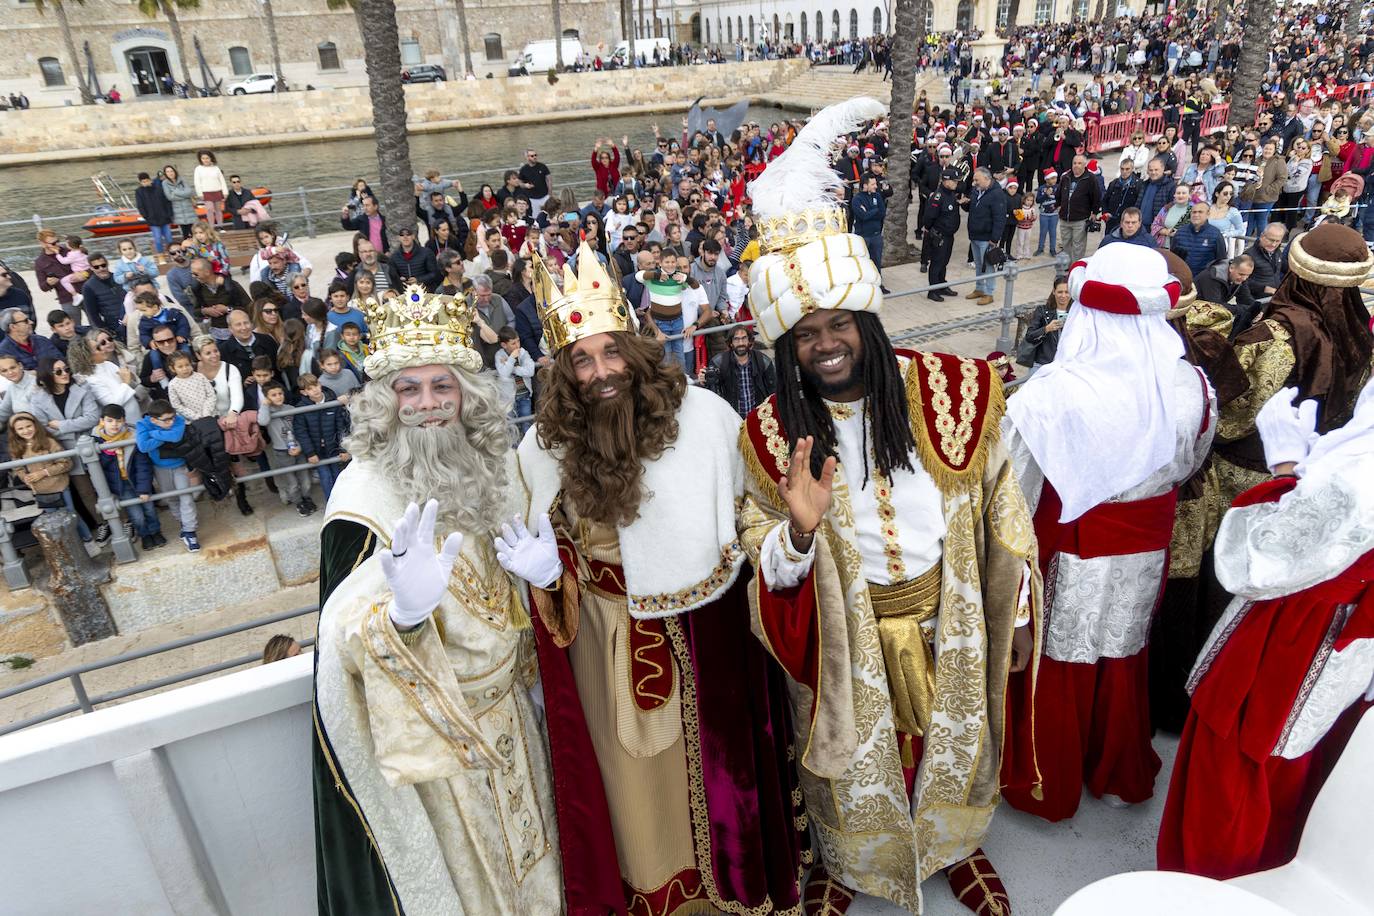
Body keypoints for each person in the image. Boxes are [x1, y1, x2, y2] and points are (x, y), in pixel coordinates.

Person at [736, 97, 1036, 916]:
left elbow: (1004, 503)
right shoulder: (769, 434)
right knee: (854, 761)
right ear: (786, 347)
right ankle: (849, 865)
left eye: (838, 324)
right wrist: (797, 535)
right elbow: (757, 542)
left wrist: (1014, 613)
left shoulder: (954, 389)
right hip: (849, 629)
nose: (825, 345)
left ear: (865, 321)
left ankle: (955, 845)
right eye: (805, 335)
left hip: (950, 613)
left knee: (953, 742)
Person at [499, 244, 806, 916]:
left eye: (610, 353)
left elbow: (750, 524)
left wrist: (793, 540)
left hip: (707, 635)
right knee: (630, 786)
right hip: (599, 637)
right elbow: (535, 542)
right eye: (582, 360)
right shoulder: (543, 447)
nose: (600, 373)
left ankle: (734, 893)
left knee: (720, 776)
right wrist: (551, 574)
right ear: (564, 373)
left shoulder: (706, 419)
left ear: (635, 351)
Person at [310, 282, 560, 915]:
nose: (428, 404)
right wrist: (402, 617)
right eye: (409, 388)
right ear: (384, 400)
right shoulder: (362, 501)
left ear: (466, 392)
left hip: (522, 717)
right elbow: (337, 649)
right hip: (445, 746)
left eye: (442, 385)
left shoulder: (493, 464)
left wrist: (549, 582)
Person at [1000, 245, 1215, 825]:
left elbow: (1012, 496)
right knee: (1123, 647)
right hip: (1147, 543)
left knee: (1063, 653)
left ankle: (1050, 778)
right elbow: (1190, 462)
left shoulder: (1048, 395)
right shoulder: (1193, 385)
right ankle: (1117, 772)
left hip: (1072, 547)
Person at [1157, 381, 1374, 880]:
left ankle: (1210, 887)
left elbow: (1253, 565)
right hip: (1343, 639)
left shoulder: (1359, 469)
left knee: (1240, 763)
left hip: (1294, 635)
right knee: (1296, 764)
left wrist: (1286, 466)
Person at [28, 356, 107, 542]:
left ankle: (125, 522)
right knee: (86, 492)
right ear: (47, 375)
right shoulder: (37, 399)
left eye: (66, 369)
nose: (65, 373)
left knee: (107, 484)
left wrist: (61, 425)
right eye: (58, 371)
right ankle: (103, 524)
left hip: (92, 444)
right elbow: (42, 427)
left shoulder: (82, 388)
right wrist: (73, 425)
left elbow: (92, 418)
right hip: (66, 451)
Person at [8, 411, 92, 542]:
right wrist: (25, 478)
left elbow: (66, 463)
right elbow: (17, 468)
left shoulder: (49, 442)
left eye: (29, 426)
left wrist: (43, 473)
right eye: (20, 429)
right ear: (15, 431)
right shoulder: (16, 448)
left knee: (70, 515)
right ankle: (69, 546)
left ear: (35, 425)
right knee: (53, 521)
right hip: (40, 490)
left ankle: (88, 539)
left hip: (59, 486)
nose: (26, 431)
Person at [94, 404, 165, 551]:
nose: (114, 424)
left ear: (124, 421)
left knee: (149, 509)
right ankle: (145, 535)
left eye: (118, 420)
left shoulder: (133, 436)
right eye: (110, 421)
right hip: (121, 484)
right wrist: (108, 454)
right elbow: (97, 468)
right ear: (102, 421)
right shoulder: (96, 440)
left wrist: (144, 488)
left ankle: (156, 532)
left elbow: (143, 465)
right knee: (136, 514)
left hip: (138, 479)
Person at [257, 380, 314, 515]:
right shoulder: (266, 411)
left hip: (298, 449)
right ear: (267, 397)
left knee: (305, 479)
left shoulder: (290, 409)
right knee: (292, 483)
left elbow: (300, 428)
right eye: (273, 395)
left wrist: (300, 446)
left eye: (280, 393)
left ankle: (307, 498)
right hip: (281, 452)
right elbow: (262, 421)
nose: (278, 397)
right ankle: (299, 503)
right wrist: (264, 405)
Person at [292, 373, 350, 500]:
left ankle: (343, 501)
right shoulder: (301, 409)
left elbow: (341, 427)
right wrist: (310, 453)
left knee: (338, 475)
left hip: (333, 448)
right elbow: (301, 432)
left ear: (320, 384)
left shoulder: (332, 402)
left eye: (316, 385)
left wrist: (343, 449)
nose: (315, 390)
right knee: (325, 477)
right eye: (310, 388)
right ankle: (331, 503)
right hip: (317, 451)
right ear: (304, 392)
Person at [698, 325, 775, 416]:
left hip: (757, 415)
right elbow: (713, 395)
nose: (741, 343)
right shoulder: (719, 362)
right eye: (736, 339)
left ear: (749, 341)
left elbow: (773, 390)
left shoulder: (763, 360)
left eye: (744, 338)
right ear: (731, 343)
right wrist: (704, 382)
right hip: (731, 416)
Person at [962, 166, 1007, 306]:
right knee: (978, 264)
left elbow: (1000, 218)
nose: (974, 182)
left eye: (977, 180)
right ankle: (979, 288)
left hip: (987, 238)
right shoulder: (976, 190)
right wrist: (964, 203)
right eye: (974, 179)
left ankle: (989, 293)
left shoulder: (997, 194)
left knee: (988, 265)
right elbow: (971, 208)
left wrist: (994, 239)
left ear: (987, 178)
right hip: (975, 235)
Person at [1056, 154, 1104, 262]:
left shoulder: (1090, 178)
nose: (1076, 165)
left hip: (1080, 219)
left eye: (1079, 163)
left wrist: (1094, 212)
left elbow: (1096, 197)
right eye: (1074, 163)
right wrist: (1058, 206)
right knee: (1066, 245)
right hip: (1064, 219)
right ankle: (1066, 266)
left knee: (1078, 247)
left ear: (1084, 165)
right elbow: (1058, 194)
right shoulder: (1065, 177)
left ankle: (1075, 267)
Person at [1194, 254, 1259, 334]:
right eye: (1241, 274)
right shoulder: (1212, 277)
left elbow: (1245, 297)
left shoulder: (1239, 277)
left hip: (1207, 312)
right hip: (1194, 312)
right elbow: (1216, 306)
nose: (1244, 278)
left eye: (1248, 275)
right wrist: (1245, 309)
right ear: (1231, 268)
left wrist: (1256, 309)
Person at [1019, 275, 1070, 373]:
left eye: (1066, 292)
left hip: (1066, 364)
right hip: (1042, 363)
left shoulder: (1076, 312)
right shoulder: (1042, 310)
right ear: (1054, 291)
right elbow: (1029, 336)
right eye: (1060, 292)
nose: (1063, 296)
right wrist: (1046, 329)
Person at [33, 230, 82, 321]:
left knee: (96, 323)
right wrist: (49, 283)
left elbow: (88, 263)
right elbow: (42, 286)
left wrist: (85, 273)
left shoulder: (69, 251)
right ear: (43, 244)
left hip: (84, 290)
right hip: (66, 297)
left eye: (57, 241)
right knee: (73, 326)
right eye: (53, 243)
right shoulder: (40, 262)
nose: (57, 245)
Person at [1171, 200, 1228, 277]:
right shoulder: (1180, 232)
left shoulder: (1215, 234)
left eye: (1200, 212)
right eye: (1194, 212)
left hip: (1204, 279)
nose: (1196, 215)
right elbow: (1172, 257)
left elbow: (1221, 261)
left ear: (1208, 214)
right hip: (1183, 277)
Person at [492, 326, 533, 422]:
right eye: (513, 343)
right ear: (504, 345)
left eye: (518, 341)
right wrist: (511, 358)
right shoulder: (499, 355)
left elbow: (530, 371)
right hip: (508, 398)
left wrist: (512, 368)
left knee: (526, 422)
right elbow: (504, 374)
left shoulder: (523, 352)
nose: (517, 346)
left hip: (524, 395)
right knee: (511, 424)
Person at [850, 173, 887, 271]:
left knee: (877, 264)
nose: (876, 186)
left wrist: (869, 212)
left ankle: (878, 280)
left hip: (876, 236)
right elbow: (863, 216)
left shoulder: (877, 196)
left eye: (875, 184)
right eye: (873, 184)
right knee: (863, 264)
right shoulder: (856, 199)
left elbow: (882, 212)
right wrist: (875, 210)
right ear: (865, 185)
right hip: (863, 237)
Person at [1243, 222, 1288, 298]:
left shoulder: (1277, 252)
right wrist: (1264, 288)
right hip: (1255, 300)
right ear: (1262, 236)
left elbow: (1285, 267)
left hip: (1274, 298)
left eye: (1277, 241)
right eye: (1271, 240)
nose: (1273, 244)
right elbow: (1241, 281)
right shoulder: (1249, 255)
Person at [134, 172, 175, 253]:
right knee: (158, 239)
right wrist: (147, 217)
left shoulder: (158, 188)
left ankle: (172, 253)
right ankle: (160, 255)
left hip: (164, 218)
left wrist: (169, 214)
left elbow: (167, 202)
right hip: (152, 220)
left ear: (150, 180)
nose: (145, 183)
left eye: (146, 181)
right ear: (140, 182)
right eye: (143, 182)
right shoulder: (139, 192)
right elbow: (140, 206)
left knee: (169, 239)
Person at [193, 150, 229, 229]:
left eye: (207, 158)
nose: (205, 160)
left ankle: (220, 226)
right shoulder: (198, 169)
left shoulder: (216, 168)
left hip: (217, 191)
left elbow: (222, 181)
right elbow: (197, 182)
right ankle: (211, 227)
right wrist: (200, 194)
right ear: (200, 159)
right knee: (209, 209)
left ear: (211, 158)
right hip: (206, 192)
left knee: (218, 210)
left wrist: (225, 192)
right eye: (203, 158)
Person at [161, 165, 197, 238]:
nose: (170, 173)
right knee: (185, 233)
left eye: (171, 171)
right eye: (168, 172)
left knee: (194, 231)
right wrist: (184, 195)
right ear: (165, 173)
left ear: (175, 171)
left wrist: (175, 192)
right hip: (177, 211)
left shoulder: (182, 180)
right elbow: (170, 197)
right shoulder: (165, 183)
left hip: (188, 208)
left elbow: (189, 192)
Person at [517, 148, 552, 213]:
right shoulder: (523, 169)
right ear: (527, 157)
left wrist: (550, 195)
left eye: (535, 155)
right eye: (532, 156)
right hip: (532, 199)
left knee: (548, 214)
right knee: (535, 217)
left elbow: (549, 180)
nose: (535, 157)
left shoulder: (543, 166)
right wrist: (525, 185)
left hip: (545, 196)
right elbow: (519, 182)